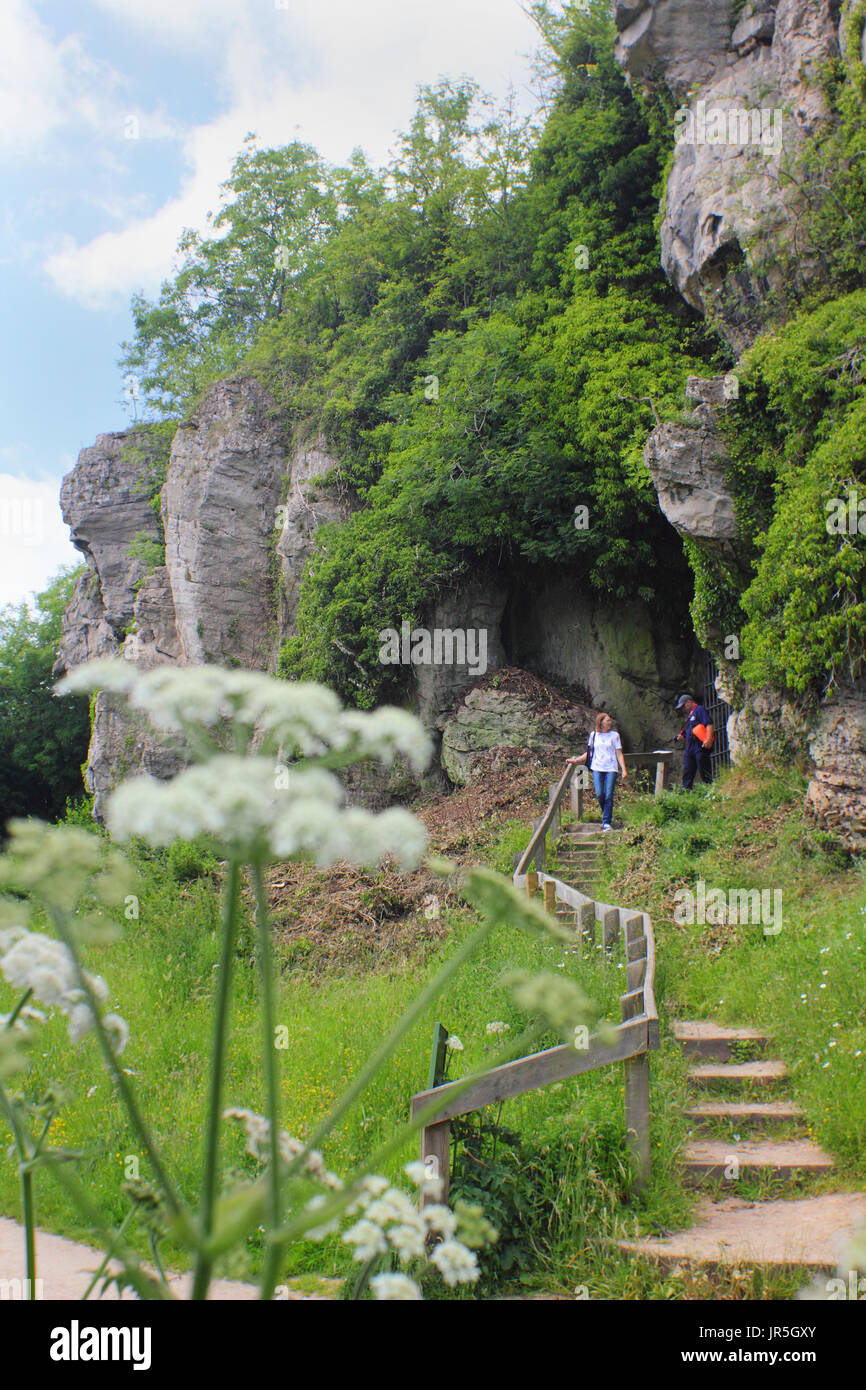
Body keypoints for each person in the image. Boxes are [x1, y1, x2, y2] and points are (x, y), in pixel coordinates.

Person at [567, 712, 627, 831]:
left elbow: (619, 754)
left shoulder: (615, 735)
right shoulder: (594, 735)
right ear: (601, 722)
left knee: (609, 794)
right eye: (607, 720)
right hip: (597, 768)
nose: (610, 722)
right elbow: (589, 753)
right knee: (600, 794)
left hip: (611, 768)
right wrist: (576, 761)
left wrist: (624, 770)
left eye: (610, 720)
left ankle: (606, 822)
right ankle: (606, 814)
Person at [674, 693, 715, 789]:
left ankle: (709, 789)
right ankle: (686, 791)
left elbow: (709, 724)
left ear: (689, 702)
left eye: (683, 706)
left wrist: (708, 740)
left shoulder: (699, 710)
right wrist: (682, 736)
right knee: (688, 769)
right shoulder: (689, 716)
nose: (683, 709)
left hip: (700, 746)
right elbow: (690, 731)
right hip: (690, 748)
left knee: (703, 768)